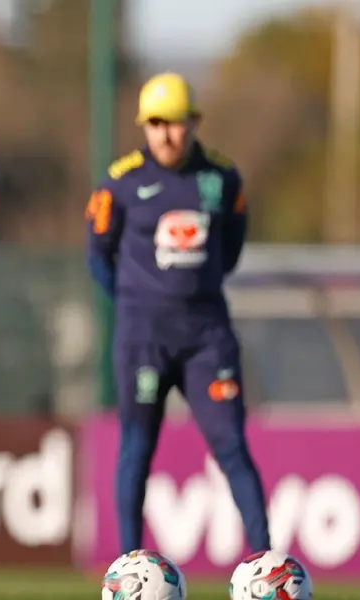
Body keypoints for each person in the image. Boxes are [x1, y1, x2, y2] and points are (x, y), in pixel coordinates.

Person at [85, 72, 269, 556]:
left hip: (207, 337)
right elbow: (97, 256)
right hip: (142, 338)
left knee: (231, 446)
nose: (168, 134)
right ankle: (127, 566)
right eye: (157, 124)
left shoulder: (222, 179)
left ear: (195, 123)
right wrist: (136, 303)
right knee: (137, 449)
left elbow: (229, 250)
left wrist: (193, 294)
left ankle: (266, 565)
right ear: (145, 126)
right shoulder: (122, 183)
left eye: (178, 123)